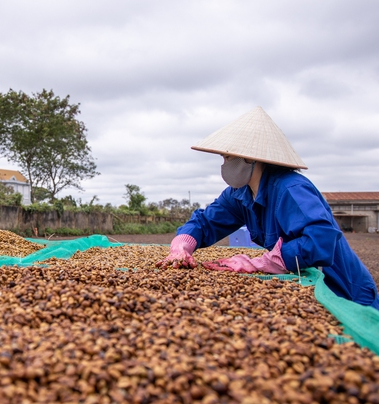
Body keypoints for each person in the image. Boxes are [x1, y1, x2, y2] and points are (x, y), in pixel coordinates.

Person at [157, 106, 379, 309]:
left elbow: (321, 240)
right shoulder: (240, 194)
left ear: (249, 158)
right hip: (310, 291)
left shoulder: (290, 189)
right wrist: (183, 243)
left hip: (345, 293)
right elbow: (206, 222)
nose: (224, 164)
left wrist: (265, 262)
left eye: (228, 157)